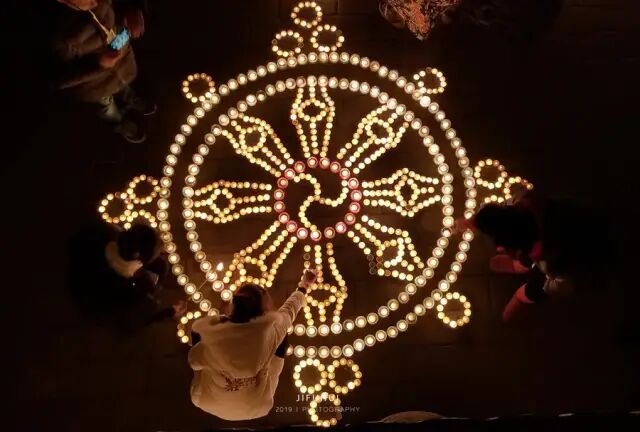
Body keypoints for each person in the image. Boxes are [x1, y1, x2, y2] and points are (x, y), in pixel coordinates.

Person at [188, 269, 317, 420]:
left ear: (234, 305)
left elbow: (194, 361)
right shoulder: (271, 334)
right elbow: (290, 310)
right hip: (256, 406)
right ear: (263, 310)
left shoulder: (211, 336)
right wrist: (304, 285)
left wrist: (216, 329)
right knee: (281, 335)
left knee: (201, 357)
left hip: (209, 401)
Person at [459, 193, 587, 322]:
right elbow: (502, 215)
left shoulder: (553, 263)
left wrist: (523, 295)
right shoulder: (531, 205)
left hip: (582, 263)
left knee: (536, 288)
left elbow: (562, 287)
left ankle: (523, 295)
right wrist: (476, 222)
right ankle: (522, 266)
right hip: (576, 221)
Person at [50, 0, 155, 143]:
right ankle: (117, 122)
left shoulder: (96, 5)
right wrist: (98, 65)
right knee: (106, 104)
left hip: (121, 61)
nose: (95, 3)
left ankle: (130, 99)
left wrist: (135, 9)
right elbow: (55, 78)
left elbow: (114, 22)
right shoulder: (57, 32)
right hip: (95, 84)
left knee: (122, 85)